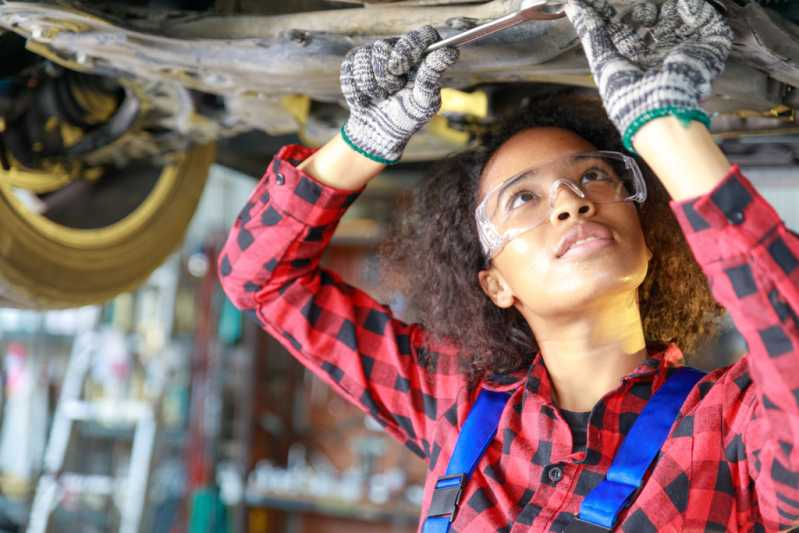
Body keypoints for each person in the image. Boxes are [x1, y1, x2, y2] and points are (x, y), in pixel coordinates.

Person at [218, 0, 799, 530]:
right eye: (524, 198)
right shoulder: (457, 401)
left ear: (648, 239)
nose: (573, 201)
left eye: (594, 175)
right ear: (496, 283)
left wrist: (666, 129)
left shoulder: (730, 427)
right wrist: (360, 142)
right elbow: (259, 278)